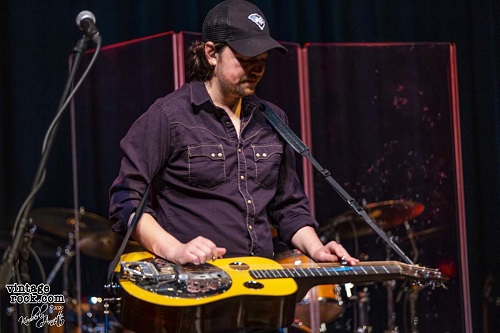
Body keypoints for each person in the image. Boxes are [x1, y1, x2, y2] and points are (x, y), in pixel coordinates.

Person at [109, 0, 358, 331]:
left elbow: (288, 207)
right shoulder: (169, 117)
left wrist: (316, 248)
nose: (255, 69)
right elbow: (125, 201)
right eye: (245, 59)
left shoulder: (274, 120)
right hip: (193, 299)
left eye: (262, 61)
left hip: (260, 296)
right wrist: (176, 248)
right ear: (211, 53)